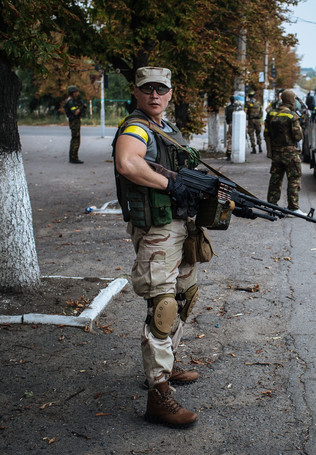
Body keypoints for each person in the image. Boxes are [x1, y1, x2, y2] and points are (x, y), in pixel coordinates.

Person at [113, 66, 202, 428]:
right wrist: (170, 186)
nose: (154, 96)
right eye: (147, 89)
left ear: (170, 92)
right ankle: (158, 394)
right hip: (157, 229)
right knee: (163, 305)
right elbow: (127, 162)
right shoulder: (136, 127)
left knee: (185, 295)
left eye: (160, 90)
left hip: (179, 225)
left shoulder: (166, 127)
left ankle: (166, 362)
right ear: (135, 91)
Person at [264, 89, 305, 216]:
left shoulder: (271, 114)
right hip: (290, 154)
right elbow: (298, 136)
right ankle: (293, 208)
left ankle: (271, 206)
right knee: (294, 179)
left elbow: (266, 133)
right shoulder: (292, 116)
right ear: (291, 100)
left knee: (275, 179)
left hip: (276, 153)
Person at [64, 85, 85, 164]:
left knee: (75, 139)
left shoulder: (72, 101)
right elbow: (75, 112)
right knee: (75, 139)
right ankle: (73, 158)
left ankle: (74, 157)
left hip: (75, 121)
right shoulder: (70, 102)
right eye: (76, 92)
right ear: (73, 93)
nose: (78, 93)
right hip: (74, 121)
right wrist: (81, 107)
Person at [245, 90, 263, 154]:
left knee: (251, 134)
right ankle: (260, 147)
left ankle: (254, 149)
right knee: (258, 133)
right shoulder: (258, 103)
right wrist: (260, 118)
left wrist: (246, 119)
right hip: (258, 120)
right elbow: (261, 112)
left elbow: (245, 112)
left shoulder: (248, 104)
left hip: (251, 120)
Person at [224, 95, 236, 161]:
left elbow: (226, 117)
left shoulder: (228, 108)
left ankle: (229, 153)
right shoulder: (236, 108)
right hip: (236, 124)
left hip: (230, 123)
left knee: (230, 138)